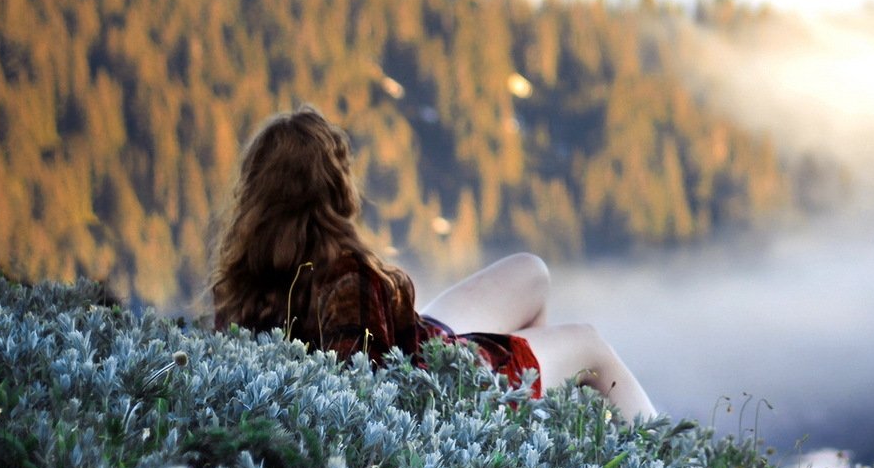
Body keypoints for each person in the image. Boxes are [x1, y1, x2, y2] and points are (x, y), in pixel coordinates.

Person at [209, 106, 656, 420]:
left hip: (419, 342)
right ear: (336, 186)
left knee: (531, 272)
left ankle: (534, 412)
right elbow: (368, 391)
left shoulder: (244, 282)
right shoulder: (347, 276)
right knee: (590, 344)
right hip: (447, 385)